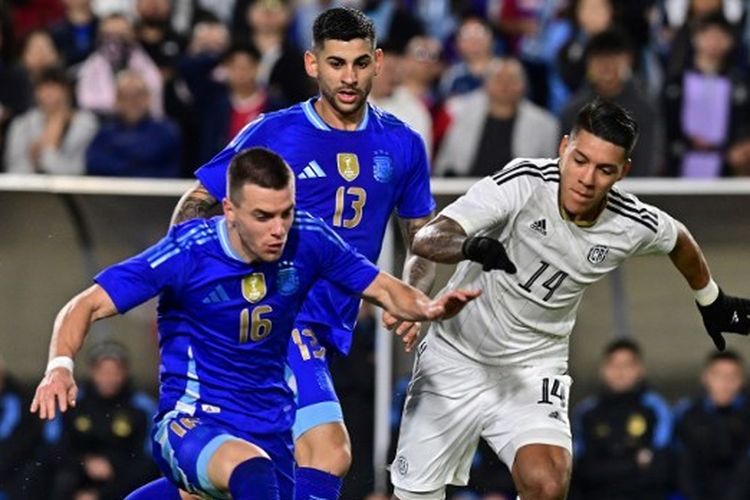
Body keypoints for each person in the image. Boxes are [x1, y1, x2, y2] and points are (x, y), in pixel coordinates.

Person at [30, 147, 478, 500]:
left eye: (285, 212)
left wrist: (428, 307)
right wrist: (60, 366)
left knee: (245, 479)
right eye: (263, 216)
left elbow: (382, 287)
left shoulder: (308, 237)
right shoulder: (188, 253)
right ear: (229, 210)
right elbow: (83, 306)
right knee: (251, 469)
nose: (278, 229)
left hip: (270, 422)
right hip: (192, 421)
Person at [390, 98, 750, 500]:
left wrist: (711, 300)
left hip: (533, 366)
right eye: (580, 160)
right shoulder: (523, 182)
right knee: (415, 494)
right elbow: (427, 238)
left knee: (547, 483)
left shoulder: (629, 223)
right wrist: (471, 247)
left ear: (623, 172)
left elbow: (678, 239)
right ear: (564, 147)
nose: (587, 178)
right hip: (456, 354)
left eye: (604, 169)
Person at [173, 8, 438, 500]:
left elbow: (420, 234)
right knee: (327, 451)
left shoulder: (402, 144)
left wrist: (414, 296)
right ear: (312, 63)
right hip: (272, 312)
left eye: (360, 63)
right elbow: (198, 201)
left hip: (328, 323)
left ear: (378, 62)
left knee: (234, 476)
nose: (349, 77)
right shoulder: (275, 133)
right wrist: (188, 277)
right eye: (337, 63)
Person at [46, 341, 159, 500]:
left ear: (125, 372)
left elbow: (149, 459)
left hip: (122, 481)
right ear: (92, 372)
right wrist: (84, 463)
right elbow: (53, 447)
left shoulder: (143, 408)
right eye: (103, 371)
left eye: (115, 371)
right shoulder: (71, 403)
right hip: (76, 480)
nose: (109, 378)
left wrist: (102, 491)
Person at [570, 339, 672, 500]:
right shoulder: (586, 413)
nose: (620, 372)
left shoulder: (656, 409)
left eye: (627, 365)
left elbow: (660, 469)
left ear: (640, 370)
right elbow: (585, 470)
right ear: (603, 370)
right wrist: (634, 462)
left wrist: (608, 466)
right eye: (614, 365)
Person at [434, 56, 559, 177]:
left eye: (511, 79)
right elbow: (444, 165)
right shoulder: (460, 115)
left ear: (524, 85)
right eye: (498, 79)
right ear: (485, 84)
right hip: (465, 191)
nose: (505, 85)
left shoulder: (545, 124)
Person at [673, 350, 750, 500]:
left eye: (732, 377)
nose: (725, 383)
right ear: (706, 378)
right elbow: (682, 467)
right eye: (719, 376)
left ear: (742, 380)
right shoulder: (688, 415)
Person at [5, 66, 98, 175]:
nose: (49, 93)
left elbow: (78, 171)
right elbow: (14, 171)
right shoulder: (21, 124)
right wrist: (33, 162)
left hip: (72, 189)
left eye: (54, 87)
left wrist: (47, 151)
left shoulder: (85, 125)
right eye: (43, 87)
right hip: (28, 188)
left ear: (67, 91)